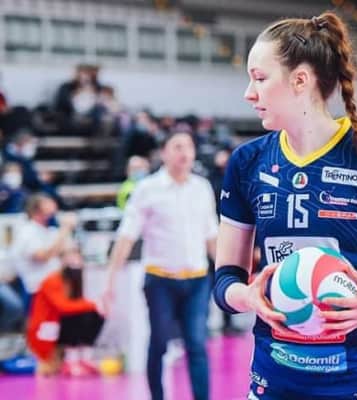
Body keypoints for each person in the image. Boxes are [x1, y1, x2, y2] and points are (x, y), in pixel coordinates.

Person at [212, 12, 357, 400]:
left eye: (259, 78)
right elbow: (225, 279)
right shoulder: (247, 163)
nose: (249, 93)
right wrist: (247, 296)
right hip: (275, 380)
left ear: (300, 80)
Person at [104, 131, 219, 400]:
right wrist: (110, 282)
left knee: (197, 344)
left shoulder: (202, 187)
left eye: (189, 146)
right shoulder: (147, 189)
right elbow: (126, 237)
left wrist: (232, 273)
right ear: (164, 153)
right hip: (160, 281)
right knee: (159, 343)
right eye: (177, 146)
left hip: (197, 279)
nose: (184, 152)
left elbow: (212, 236)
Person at [27, 242, 105, 376]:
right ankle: (70, 360)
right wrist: (93, 304)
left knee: (95, 314)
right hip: (45, 328)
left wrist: (96, 306)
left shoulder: (74, 280)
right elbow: (63, 307)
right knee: (80, 313)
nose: (74, 259)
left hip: (59, 326)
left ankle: (85, 356)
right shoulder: (52, 280)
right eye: (70, 255)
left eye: (76, 254)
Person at [10, 194, 78, 311]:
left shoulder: (49, 230)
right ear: (36, 209)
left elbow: (68, 251)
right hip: (37, 289)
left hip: (55, 286)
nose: (53, 206)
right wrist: (65, 228)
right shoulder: (27, 232)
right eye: (48, 204)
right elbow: (43, 256)